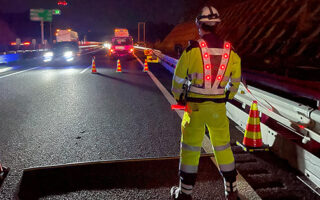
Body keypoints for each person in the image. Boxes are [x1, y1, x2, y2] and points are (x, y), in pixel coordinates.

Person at [170, 5, 241, 200]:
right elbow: (235, 83)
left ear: (199, 24)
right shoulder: (230, 51)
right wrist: (228, 95)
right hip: (218, 108)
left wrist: (179, 97)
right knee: (223, 147)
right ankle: (232, 190)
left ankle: (185, 193)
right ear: (217, 25)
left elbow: (177, 81)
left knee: (190, 148)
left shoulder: (192, 49)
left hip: (195, 108)